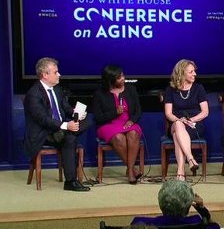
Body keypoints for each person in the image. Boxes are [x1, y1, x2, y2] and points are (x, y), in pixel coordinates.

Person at [23, 57, 90, 192]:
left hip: (59, 129)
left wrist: (77, 114)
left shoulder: (57, 89)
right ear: (45, 75)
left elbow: (66, 109)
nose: (59, 75)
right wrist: (66, 126)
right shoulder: (34, 94)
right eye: (56, 72)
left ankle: (71, 180)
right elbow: (43, 120)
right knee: (70, 138)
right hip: (44, 133)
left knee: (85, 123)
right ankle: (71, 181)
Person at [131, 179, 223, 229]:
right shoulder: (196, 223)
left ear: (160, 203)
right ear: (188, 206)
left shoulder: (141, 224)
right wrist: (202, 210)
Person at [92, 64, 143, 185]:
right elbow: (98, 118)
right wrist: (115, 112)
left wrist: (132, 120)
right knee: (119, 137)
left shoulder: (131, 89)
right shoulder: (99, 93)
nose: (123, 79)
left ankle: (130, 170)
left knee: (133, 133)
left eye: (123, 76)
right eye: (119, 77)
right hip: (108, 125)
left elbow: (138, 111)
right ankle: (132, 170)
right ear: (110, 80)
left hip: (128, 122)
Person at [163, 59, 209, 181]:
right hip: (176, 122)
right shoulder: (170, 90)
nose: (195, 74)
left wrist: (190, 120)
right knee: (178, 126)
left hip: (194, 125)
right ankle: (190, 158)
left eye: (194, 71)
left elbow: (205, 112)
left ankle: (181, 172)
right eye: (191, 72)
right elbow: (168, 113)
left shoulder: (199, 88)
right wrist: (180, 120)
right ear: (182, 73)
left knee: (177, 136)